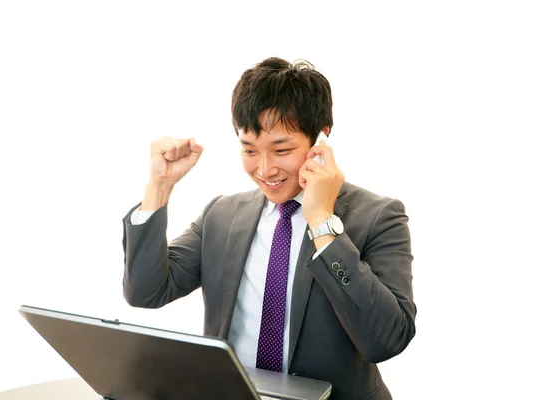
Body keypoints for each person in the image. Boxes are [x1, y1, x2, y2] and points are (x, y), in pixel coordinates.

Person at [122, 57, 416, 399]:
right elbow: (145, 292)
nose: (264, 169)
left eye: (282, 150)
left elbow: (387, 340)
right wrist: (159, 187)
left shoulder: (379, 216)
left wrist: (322, 221)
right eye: (249, 150)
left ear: (321, 137)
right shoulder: (223, 214)